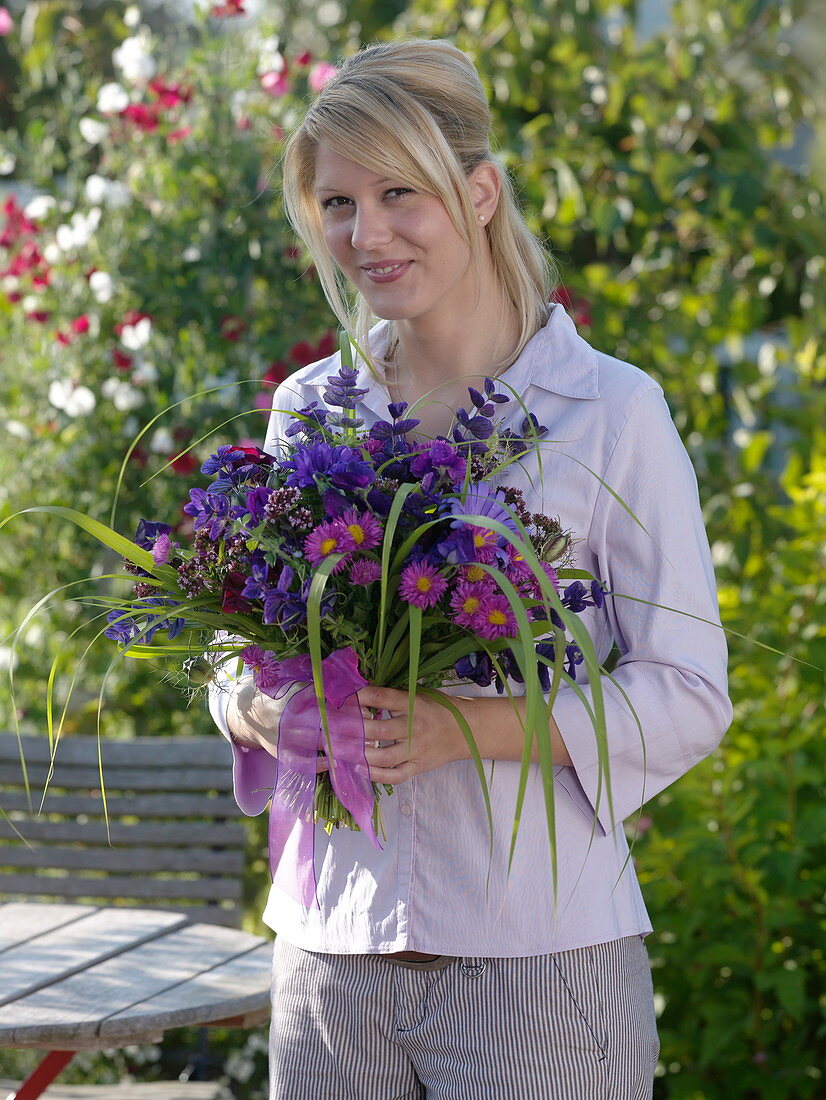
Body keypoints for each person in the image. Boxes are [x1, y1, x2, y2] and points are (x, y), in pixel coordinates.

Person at [209, 38, 732, 1100]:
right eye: (339, 202)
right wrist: (264, 712)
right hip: (329, 959)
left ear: (480, 192)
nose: (367, 233)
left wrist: (461, 730)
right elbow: (235, 646)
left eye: (400, 192)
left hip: (537, 967)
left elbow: (685, 692)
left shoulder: (612, 413)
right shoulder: (312, 411)